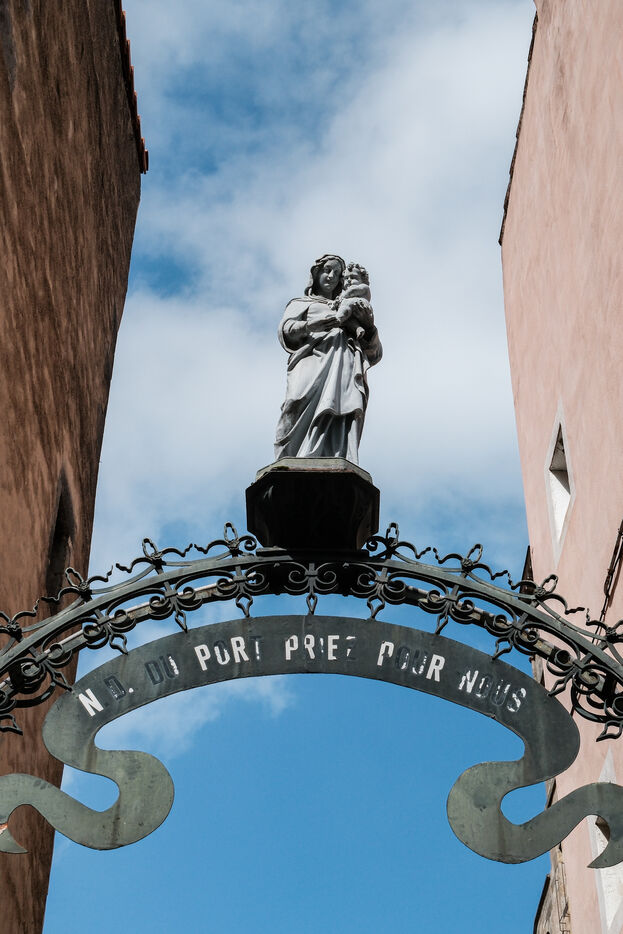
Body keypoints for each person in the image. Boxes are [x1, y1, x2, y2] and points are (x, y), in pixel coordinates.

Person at [274, 254, 382, 464]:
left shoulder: (348, 306)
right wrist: (310, 326)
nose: (331, 276)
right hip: (311, 360)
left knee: (340, 407)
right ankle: (289, 460)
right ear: (316, 274)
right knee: (295, 402)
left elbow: (374, 353)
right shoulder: (301, 303)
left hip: (343, 361)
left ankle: (335, 457)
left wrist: (368, 327)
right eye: (327, 270)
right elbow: (286, 331)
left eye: (337, 273)